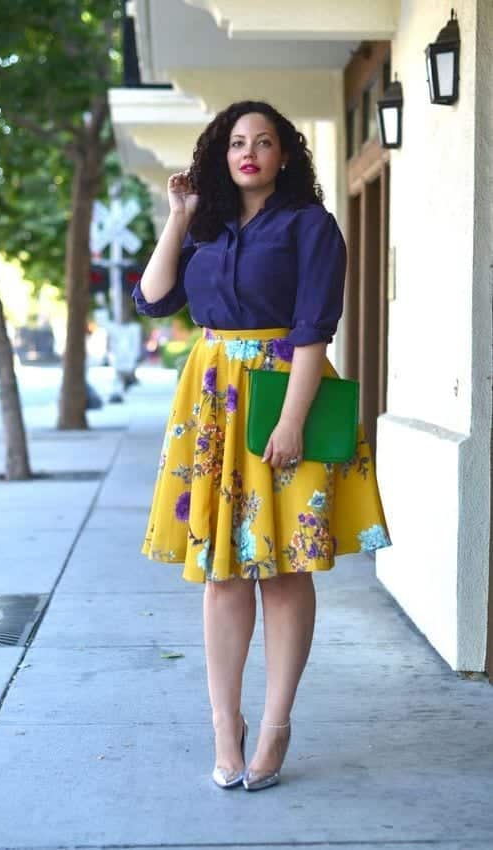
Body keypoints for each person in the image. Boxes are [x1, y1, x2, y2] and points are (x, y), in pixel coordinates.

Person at [132, 100, 391, 791]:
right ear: (222, 154)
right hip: (213, 398)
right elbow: (154, 298)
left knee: (282, 572)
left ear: (284, 155)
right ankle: (227, 725)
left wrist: (293, 422)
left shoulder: (310, 225)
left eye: (265, 141)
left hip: (284, 394)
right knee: (222, 574)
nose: (250, 151)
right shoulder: (206, 225)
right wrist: (181, 214)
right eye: (238, 142)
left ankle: (275, 726)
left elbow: (313, 329)